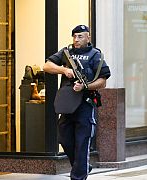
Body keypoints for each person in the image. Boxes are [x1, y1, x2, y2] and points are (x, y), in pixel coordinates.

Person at [43, 25, 110, 180]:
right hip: (68, 105)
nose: (76, 40)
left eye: (80, 36)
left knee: (82, 144)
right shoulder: (67, 52)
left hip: (85, 106)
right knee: (64, 139)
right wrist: (64, 70)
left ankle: (78, 176)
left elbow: (103, 82)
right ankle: (83, 166)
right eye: (74, 36)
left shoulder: (95, 55)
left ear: (88, 37)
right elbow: (47, 66)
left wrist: (85, 86)